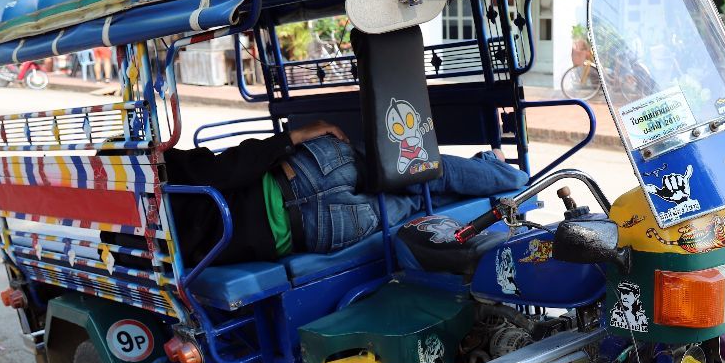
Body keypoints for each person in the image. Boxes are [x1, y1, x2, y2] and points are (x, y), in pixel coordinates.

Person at [165, 120, 528, 266]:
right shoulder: (149, 171)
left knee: (415, 200)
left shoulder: (146, 250)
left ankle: (492, 169)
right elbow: (228, 170)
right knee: (420, 172)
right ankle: (503, 173)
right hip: (301, 174)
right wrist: (291, 137)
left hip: (318, 228)